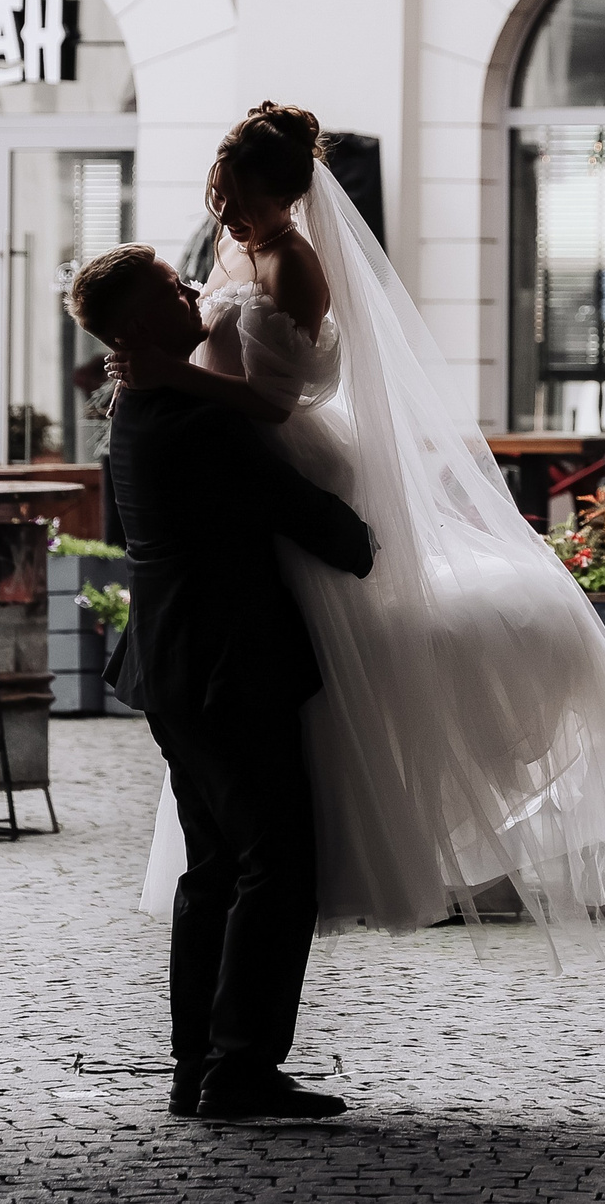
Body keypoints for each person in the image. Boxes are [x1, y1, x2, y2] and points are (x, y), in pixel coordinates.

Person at [108, 102, 605, 964]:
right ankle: (238, 1029)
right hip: (232, 474)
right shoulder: (225, 264)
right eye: (215, 192)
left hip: (273, 448)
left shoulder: (298, 265)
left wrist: (169, 378)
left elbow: (271, 400)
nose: (222, 213)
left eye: (238, 199)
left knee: (323, 671)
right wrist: (166, 374)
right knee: (262, 787)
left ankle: (233, 1028)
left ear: (285, 197)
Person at [68, 241, 374, 1122]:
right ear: (136, 325)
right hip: (228, 665)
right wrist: (373, 539)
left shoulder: (137, 402)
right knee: (276, 867)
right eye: (171, 286)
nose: (192, 286)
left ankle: (197, 1063)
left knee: (212, 871)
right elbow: (292, 507)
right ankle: (240, 1069)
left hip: (172, 665)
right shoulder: (193, 418)